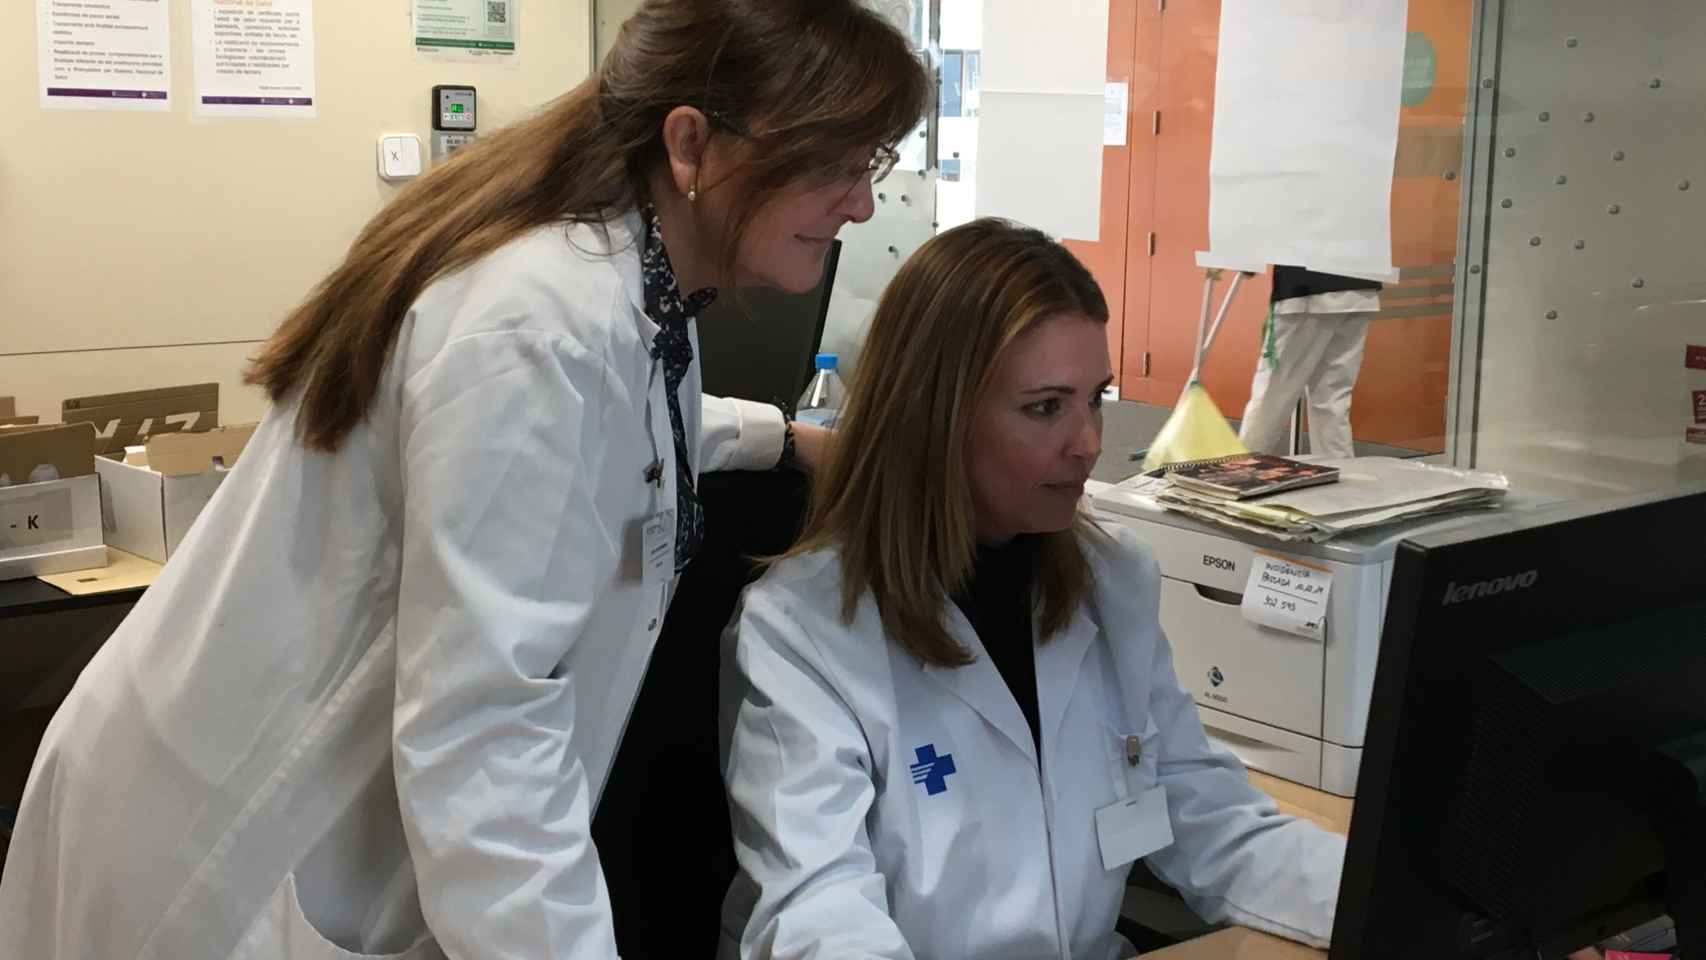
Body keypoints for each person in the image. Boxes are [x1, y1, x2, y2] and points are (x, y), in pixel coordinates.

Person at [0, 3, 927, 958]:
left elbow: (635, 424)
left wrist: (783, 438)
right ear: (691, 144)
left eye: (873, 164)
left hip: (277, 804)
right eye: (838, 162)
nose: (860, 203)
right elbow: (487, 733)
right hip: (222, 840)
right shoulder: (538, 319)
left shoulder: (629, 281)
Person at [719, 219, 1346, 960]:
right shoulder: (805, 627)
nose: (1086, 442)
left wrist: (1401, 898)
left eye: (1095, 398)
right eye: (1046, 407)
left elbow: (1216, 825)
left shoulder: (1114, 583)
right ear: (935, 418)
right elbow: (818, 916)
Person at [1238, 265, 1381, 459]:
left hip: (1306, 289)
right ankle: (1338, 467)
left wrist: (1243, 260)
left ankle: (1242, 467)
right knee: (1332, 398)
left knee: (1273, 393)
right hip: (1360, 289)